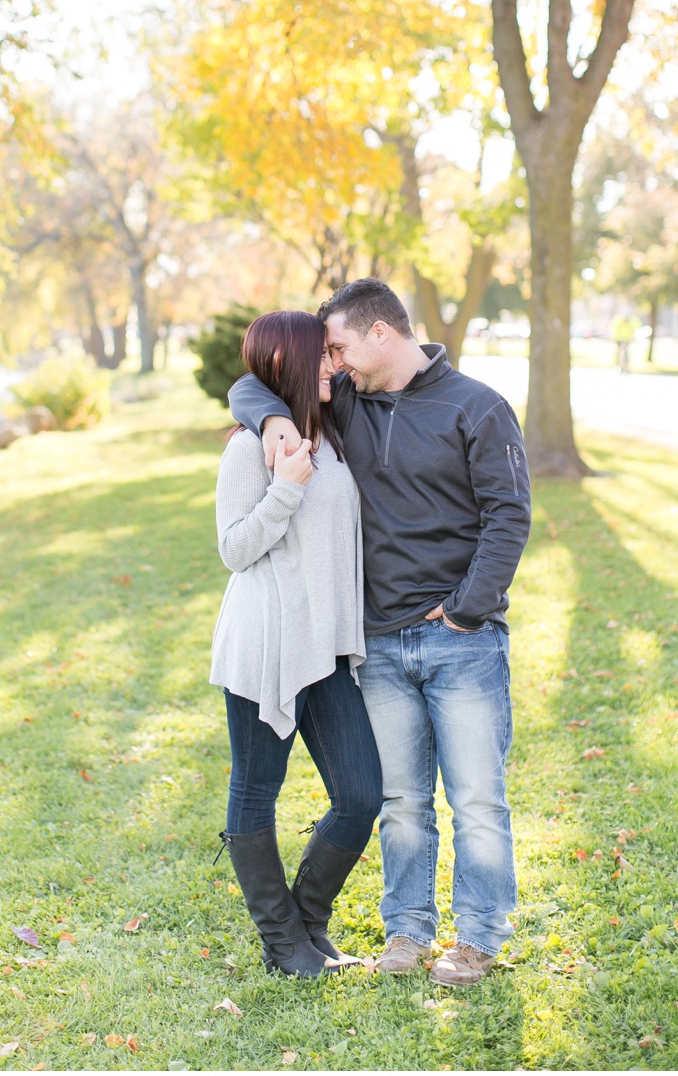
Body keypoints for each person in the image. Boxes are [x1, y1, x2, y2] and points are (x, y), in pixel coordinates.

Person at [230, 278, 530, 988]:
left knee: (478, 799)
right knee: (400, 802)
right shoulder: (350, 409)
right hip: (381, 646)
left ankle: (480, 938)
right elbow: (258, 387)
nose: (333, 363)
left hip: (463, 641)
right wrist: (271, 420)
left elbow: (507, 517)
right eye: (326, 353)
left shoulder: (478, 407)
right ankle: (407, 931)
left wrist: (464, 609)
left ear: (381, 334)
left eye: (339, 347)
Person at [212, 310, 381, 978]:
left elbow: (250, 386)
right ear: (288, 361)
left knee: (361, 794)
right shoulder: (245, 448)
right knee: (255, 789)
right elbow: (233, 548)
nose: (332, 366)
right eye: (319, 356)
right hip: (265, 646)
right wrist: (285, 488)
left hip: (327, 647)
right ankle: (284, 943)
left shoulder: (330, 430)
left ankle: (309, 920)